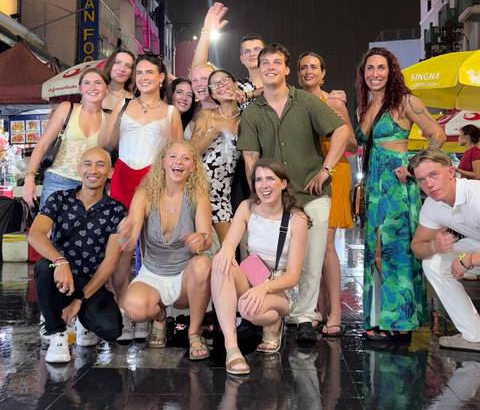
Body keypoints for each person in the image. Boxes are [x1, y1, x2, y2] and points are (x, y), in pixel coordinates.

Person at [237, 43, 350, 344]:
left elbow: (340, 131)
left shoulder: (305, 101)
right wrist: (257, 194)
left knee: (312, 259)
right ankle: (268, 307)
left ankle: (303, 317)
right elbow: (250, 156)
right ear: (259, 70)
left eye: (277, 62)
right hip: (273, 199)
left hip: (312, 194)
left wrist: (326, 169)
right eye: (265, 62)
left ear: (287, 69)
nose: (270, 66)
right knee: (260, 256)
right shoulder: (252, 112)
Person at [355, 47, 445, 342]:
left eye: (381, 68)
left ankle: (400, 321)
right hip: (374, 186)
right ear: (363, 74)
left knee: (393, 251)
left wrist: (413, 165)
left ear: (391, 71)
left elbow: (437, 134)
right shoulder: (365, 106)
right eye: (370, 68)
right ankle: (382, 316)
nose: (375, 74)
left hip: (396, 185)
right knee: (376, 252)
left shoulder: (405, 101)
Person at [99, 54, 183, 339]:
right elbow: (105, 143)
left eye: (150, 72)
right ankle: (125, 310)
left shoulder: (172, 113)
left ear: (162, 78)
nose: (144, 76)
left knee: (153, 246)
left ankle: (154, 310)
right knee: (121, 247)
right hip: (123, 177)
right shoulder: (123, 105)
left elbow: (177, 155)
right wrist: (112, 114)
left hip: (154, 180)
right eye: (140, 72)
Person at [28, 148, 126, 363]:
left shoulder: (117, 211)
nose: (93, 170)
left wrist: (80, 299)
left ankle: (81, 318)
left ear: (110, 172)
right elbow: (35, 235)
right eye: (88, 164)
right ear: (79, 169)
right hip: (59, 276)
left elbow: (110, 262)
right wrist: (60, 261)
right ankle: (57, 333)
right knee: (44, 267)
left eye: (100, 164)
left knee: (112, 330)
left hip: (90, 283)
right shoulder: (59, 199)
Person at [212, 159, 309, 374]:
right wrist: (227, 248)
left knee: (248, 308)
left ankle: (274, 321)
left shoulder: (297, 219)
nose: (263, 185)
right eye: (258, 180)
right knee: (220, 262)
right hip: (254, 274)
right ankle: (232, 347)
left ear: (283, 183)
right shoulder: (247, 207)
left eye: (270, 179)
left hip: (282, 286)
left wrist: (263, 288)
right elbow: (230, 241)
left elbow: (293, 276)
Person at [118, 141, 213, 359]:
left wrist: (200, 240)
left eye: (186, 158)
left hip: (185, 279)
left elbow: (206, 237)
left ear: (193, 167)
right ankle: (160, 316)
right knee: (133, 307)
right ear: (162, 162)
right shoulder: (144, 194)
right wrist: (125, 234)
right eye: (173, 157)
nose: (178, 162)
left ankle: (194, 333)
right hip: (153, 273)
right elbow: (131, 236)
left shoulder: (197, 194)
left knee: (203, 263)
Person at [297, 51, 356, 337]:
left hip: (333, 172)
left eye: (314, 67)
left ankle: (335, 312)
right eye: (303, 67)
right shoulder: (296, 101)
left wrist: (335, 119)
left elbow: (353, 142)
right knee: (312, 247)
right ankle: (317, 309)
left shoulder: (332, 100)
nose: (309, 71)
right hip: (308, 174)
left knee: (327, 247)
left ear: (323, 73)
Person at [410, 147, 480, 351]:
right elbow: (417, 247)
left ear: (451, 172)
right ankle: (474, 334)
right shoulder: (432, 205)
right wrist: (434, 245)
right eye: (421, 180)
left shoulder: (476, 196)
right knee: (433, 262)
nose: (428, 185)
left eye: (433, 175)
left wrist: (469, 259)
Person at [23, 67, 108, 208]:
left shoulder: (110, 119)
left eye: (98, 83)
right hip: (58, 180)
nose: (92, 87)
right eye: (87, 83)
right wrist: (29, 178)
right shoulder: (67, 109)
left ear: (107, 89)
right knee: (50, 228)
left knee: (85, 230)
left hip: (91, 186)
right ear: (80, 88)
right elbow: (42, 145)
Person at [190, 69, 241, 242]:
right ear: (212, 94)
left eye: (225, 80)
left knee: (228, 249)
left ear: (235, 84)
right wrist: (215, 131)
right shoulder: (207, 115)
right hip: (199, 189)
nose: (221, 86)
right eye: (215, 84)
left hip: (223, 194)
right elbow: (191, 152)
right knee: (199, 248)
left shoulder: (246, 118)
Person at [191, 2, 265, 101]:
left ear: (266, 54)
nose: (252, 53)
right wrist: (206, 32)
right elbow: (198, 71)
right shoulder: (235, 87)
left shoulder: (280, 85)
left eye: (257, 49)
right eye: (246, 51)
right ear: (241, 59)